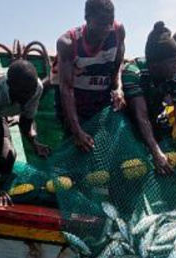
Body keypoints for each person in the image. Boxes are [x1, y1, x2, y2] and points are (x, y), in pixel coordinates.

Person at [122, 22, 176, 179]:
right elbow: (141, 116)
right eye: (173, 62)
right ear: (155, 64)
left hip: (155, 121)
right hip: (127, 125)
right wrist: (156, 152)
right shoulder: (133, 72)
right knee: (128, 171)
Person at [52, 0, 126, 153]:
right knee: (76, 148)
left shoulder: (118, 31)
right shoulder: (68, 42)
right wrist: (76, 130)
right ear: (87, 18)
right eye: (101, 24)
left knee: (104, 149)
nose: (106, 29)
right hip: (74, 104)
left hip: (100, 100)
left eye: (109, 23)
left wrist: (119, 88)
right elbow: (66, 89)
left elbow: (117, 66)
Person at [0, 60, 51, 206]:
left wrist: (35, 144)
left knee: (7, 159)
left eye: (31, 90)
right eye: (24, 91)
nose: (29, 95)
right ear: (10, 85)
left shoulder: (36, 88)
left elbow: (26, 122)